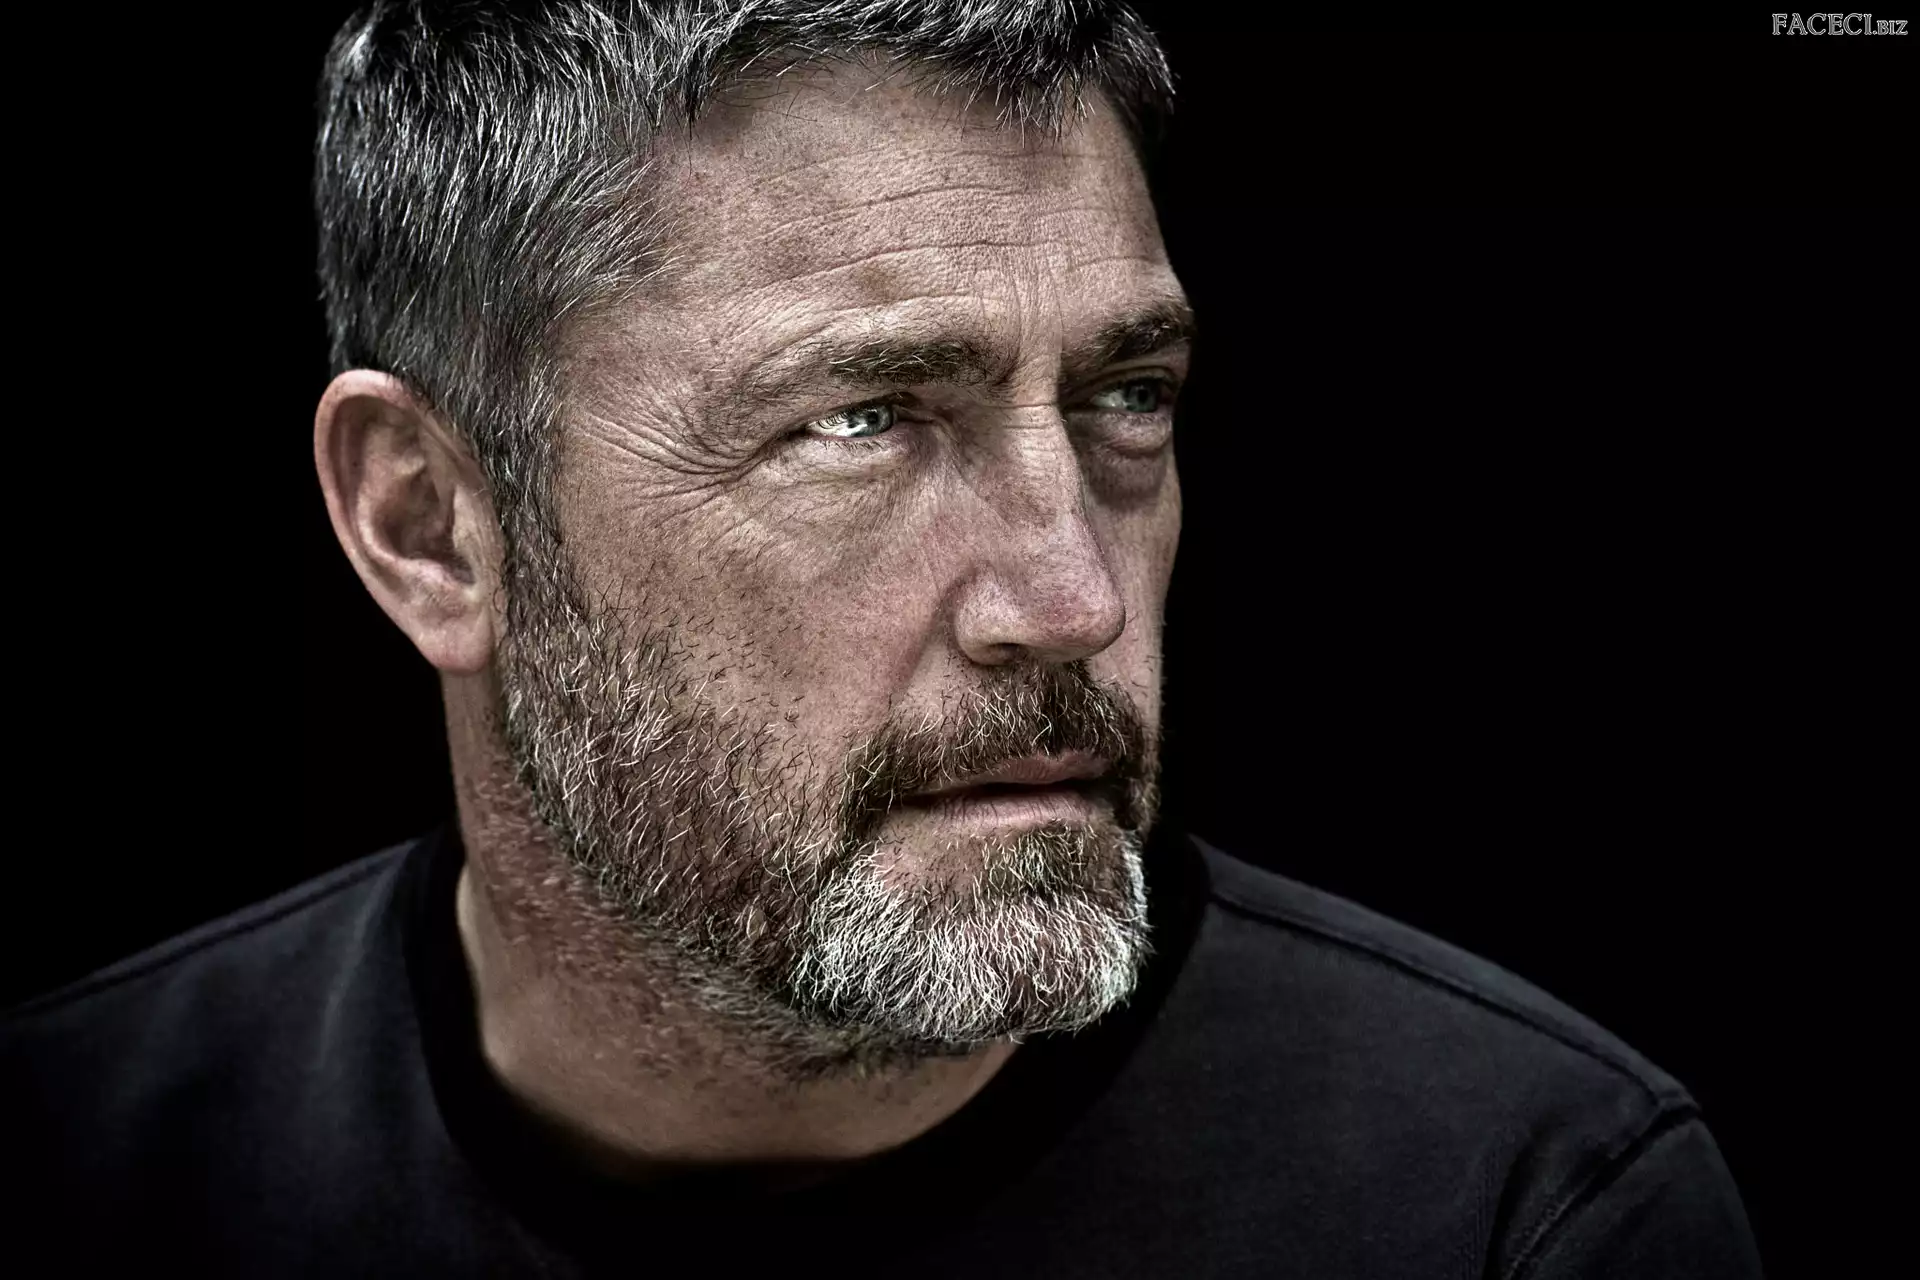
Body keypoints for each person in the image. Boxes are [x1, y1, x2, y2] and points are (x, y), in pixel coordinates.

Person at [5, 2, 1763, 1274]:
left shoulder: (1510, 1208)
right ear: (428, 525)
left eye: (1128, 396)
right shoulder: (76, 1161)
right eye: (864, 421)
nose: (1071, 601)